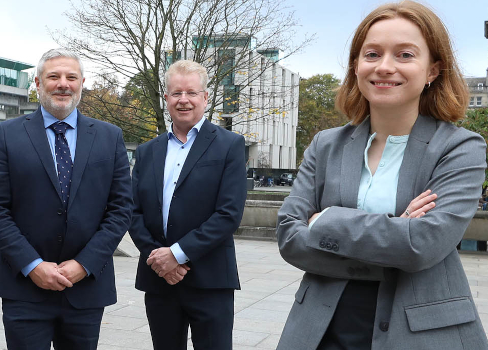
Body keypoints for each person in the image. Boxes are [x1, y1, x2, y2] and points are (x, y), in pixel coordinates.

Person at [276, 2, 488, 349]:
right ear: (357, 65)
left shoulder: (460, 148)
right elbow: (288, 236)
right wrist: (396, 229)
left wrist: (324, 220)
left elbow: (422, 245)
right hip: (322, 329)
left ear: (432, 69)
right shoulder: (325, 145)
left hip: (422, 334)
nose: (385, 67)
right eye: (372, 54)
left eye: (405, 55)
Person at [0, 48, 132, 349]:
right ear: (37, 83)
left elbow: (120, 209)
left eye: (71, 77)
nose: (63, 83)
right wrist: (33, 265)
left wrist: (84, 264)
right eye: (53, 76)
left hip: (86, 288)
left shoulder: (109, 137)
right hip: (24, 287)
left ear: (82, 84)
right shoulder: (7, 135)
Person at [129, 60, 247, 350]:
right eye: (176, 93)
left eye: (192, 93)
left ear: (205, 98)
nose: (184, 100)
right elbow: (132, 212)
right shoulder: (146, 152)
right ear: (166, 98)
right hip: (159, 280)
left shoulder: (230, 145)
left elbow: (228, 214)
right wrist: (160, 260)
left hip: (210, 279)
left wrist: (177, 255)